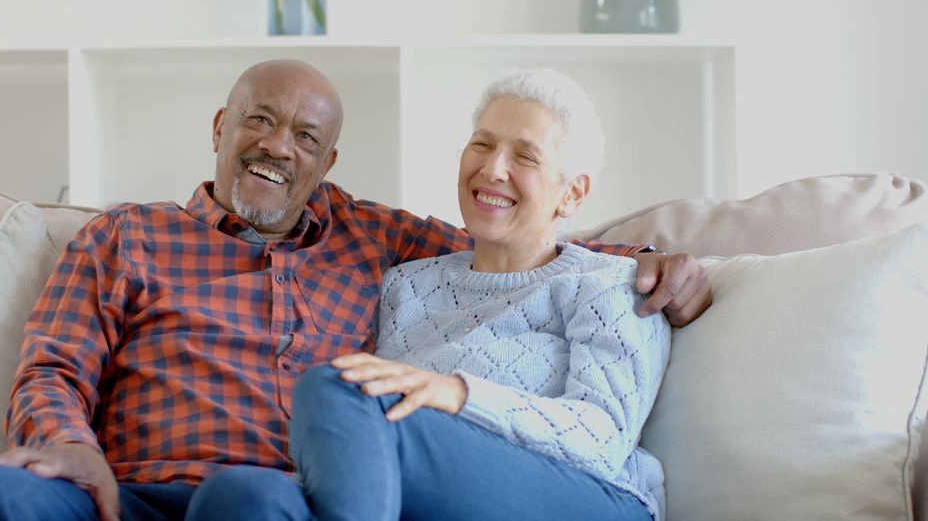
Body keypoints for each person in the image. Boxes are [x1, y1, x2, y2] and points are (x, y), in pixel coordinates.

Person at [0, 60, 707, 521]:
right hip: (131, 495)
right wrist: (68, 446)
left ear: (327, 163)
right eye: (258, 122)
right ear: (222, 126)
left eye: (305, 138)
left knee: (248, 500)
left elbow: (514, 248)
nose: (276, 148)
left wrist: (650, 261)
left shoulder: (376, 240)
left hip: (277, 499)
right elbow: (55, 366)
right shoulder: (126, 236)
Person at [198, 68, 671, 520]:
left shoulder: (609, 284)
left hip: (588, 497)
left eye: (524, 156)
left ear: (572, 194)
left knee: (334, 388)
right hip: (431, 497)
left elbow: (603, 440)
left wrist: (457, 394)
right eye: (481, 145)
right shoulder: (407, 285)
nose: (493, 168)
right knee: (241, 495)